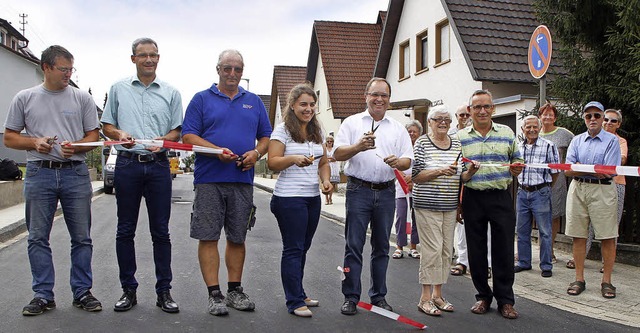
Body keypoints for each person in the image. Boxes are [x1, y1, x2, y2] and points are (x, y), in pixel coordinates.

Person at [3, 45, 102, 315]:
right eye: (63, 69)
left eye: (71, 69)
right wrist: (34, 141)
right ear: (46, 68)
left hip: (76, 172)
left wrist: (78, 146)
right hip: (38, 172)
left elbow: (94, 136)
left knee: (82, 237)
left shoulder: (82, 99)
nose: (68, 74)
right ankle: (43, 294)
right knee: (37, 237)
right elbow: (9, 137)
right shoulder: (25, 98)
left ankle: (82, 292)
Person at [182, 49, 272, 316]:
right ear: (218, 69)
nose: (232, 74)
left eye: (238, 69)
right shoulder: (201, 99)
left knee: (237, 237)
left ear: (242, 72)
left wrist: (256, 153)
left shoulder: (254, 101)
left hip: (242, 180)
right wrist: (215, 150)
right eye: (227, 68)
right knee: (208, 236)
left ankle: (234, 290)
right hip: (209, 180)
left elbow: (265, 137)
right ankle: (214, 294)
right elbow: (189, 136)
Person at [102, 37, 183, 313]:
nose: (149, 59)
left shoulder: (171, 93)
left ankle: (164, 292)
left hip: (159, 166)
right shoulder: (118, 89)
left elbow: (177, 132)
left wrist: (164, 139)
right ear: (133, 58)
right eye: (143, 55)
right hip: (127, 165)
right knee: (125, 230)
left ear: (159, 58)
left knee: (161, 231)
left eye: (153, 55)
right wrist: (118, 134)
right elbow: (107, 126)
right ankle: (128, 290)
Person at [334, 77, 413, 315]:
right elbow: (337, 153)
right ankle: (350, 296)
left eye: (384, 96)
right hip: (359, 190)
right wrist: (358, 146)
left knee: (381, 248)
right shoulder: (352, 122)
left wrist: (398, 162)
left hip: (387, 191)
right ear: (365, 96)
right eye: (375, 94)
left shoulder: (397, 127)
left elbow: (408, 160)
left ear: (389, 99)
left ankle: (379, 296)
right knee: (354, 246)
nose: (379, 99)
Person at [267, 83, 333, 317]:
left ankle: (299, 292)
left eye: (312, 104)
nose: (308, 109)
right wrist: (293, 158)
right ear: (293, 106)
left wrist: (325, 181)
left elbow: (323, 162)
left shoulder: (317, 131)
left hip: (312, 198)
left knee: (303, 248)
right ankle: (294, 301)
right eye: (303, 104)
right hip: (288, 198)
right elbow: (272, 162)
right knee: (293, 248)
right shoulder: (283, 130)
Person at [458, 89, 523, 319]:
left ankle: (505, 300)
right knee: (476, 250)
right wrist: (460, 200)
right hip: (473, 197)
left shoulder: (506, 132)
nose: (482, 111)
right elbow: (458, 173)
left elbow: (517, 158)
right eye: (477, 107)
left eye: (486, 106)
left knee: (504, 249)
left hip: (500, 196)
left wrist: (516, 166)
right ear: (470, 110)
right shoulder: (461, 137)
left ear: (493, 109)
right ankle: (483, 297)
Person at [565, 101, 620, 299]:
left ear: (603, 117)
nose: (593, 120)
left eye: (597, 116)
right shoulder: (577, 140)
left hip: (602, 191)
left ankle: (607, 281)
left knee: (607, 236)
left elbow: (607, 171)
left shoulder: (612, 141)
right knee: (578, 235)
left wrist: (580, 166)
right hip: (578, 188)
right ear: (584, 119)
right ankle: (579, 278)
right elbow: (569, 169)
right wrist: (590, 168)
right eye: (589, 116)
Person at [412, 106, 461, 316]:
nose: (443, 123)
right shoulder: (422, 142)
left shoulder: (457, 143)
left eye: (447, 120)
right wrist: (440, 171)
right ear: (430, 122)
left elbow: (462, 175)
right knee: (431, 250)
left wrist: (471, 171)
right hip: (426, 204)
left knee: (445, 251)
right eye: (438, 119)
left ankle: (438, 295)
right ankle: (424, 298)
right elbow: (415, 175)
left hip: (449, 205)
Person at [448, 104, 492, 278]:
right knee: (462, 227)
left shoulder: (484, 135)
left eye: (467, 115)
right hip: (462, 185)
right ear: (457, 116)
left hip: (484, 186)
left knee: (486, 228)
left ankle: (486, 263)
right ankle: (463, 260)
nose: (465, 118)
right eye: (462, 115)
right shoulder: (454, 137)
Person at [514, 115, 560, 278]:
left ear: (540, 128)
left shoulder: (549, 146)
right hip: (521, 192)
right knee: (521, 230)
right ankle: (524, 262)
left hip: (540, 192)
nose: (532, 130)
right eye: (528, 127)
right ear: (523, 129)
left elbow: (555, 172)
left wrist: (544, 188)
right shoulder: (518, 147)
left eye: (535, 127)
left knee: (545, 231)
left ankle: (546, 265)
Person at [582, 109, 627, 273]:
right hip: (595, 185)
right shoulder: (592, 138)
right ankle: (580, 257)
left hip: (616, 184)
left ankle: (606, 263)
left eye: (613, 121)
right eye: (606, 119)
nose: (608, 123)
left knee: (611, 225)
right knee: (588, 223)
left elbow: (621, 159)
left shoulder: (620, 141)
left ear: (618, 124)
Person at [538, 102, 574, 266]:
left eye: (550, 114)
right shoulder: (534, 133)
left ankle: (550, 250)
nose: (547, 117)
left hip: (557, 182)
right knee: (539, 215)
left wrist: (567, 164)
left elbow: (575, 148)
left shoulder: (564, 134)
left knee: (554, 215)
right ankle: (541, 249)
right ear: (540, 116)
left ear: (555, 117)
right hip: (538, 180)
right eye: (544, 114)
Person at [392, 120, 422, 259]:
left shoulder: (421, 148)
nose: (411, 134)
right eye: (409, 131)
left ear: (419, 133)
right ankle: (399, 246)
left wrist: (413, 180)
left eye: (414, 131)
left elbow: (423, 167)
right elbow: (395, 165)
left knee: (416, 218)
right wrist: (404, 179)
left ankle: (414, 246)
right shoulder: (400, 147)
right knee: (401, 217)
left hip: (417, 188)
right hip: (401, 188)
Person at [324, 135, 340, 205]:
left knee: (332, 183)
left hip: (334, 166)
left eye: (331, 141)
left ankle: (330, 197)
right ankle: (326, 198)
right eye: (328, 141)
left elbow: (338, 157)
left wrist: (334, 159)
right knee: (326, 182)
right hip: (326, 166)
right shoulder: (324, 148)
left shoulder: (335, 148)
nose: (329, 142)